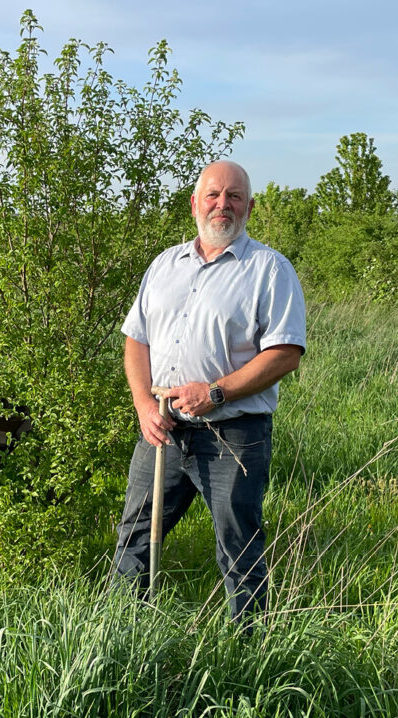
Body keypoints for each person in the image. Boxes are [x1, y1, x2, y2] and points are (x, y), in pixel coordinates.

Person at [112, 160, 306, 622]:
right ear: (195, 203)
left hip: (234, 434)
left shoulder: (269, 270)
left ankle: (249, 648)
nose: (224, 205)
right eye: (214, 195)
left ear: (250, 208)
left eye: (235, 196)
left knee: (238, 546)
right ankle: (122, 635)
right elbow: (136, 339)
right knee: (136, 536)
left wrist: (215, 393)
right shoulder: (164, 264)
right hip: (162, 427)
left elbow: (285, 353)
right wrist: (142, 403)